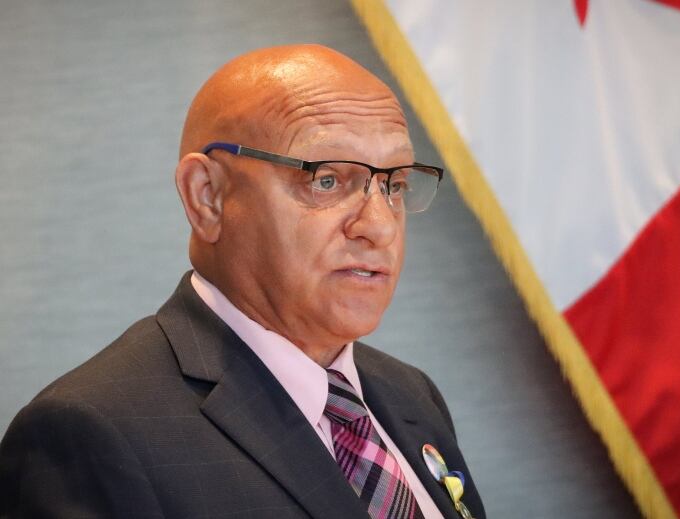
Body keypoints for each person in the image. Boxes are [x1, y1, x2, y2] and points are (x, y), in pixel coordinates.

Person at [0, 45, 484, 518]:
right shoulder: (90, 433)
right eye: (327, 179)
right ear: (208, 197)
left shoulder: (409, 392)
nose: (379, 227)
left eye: (395, 184)